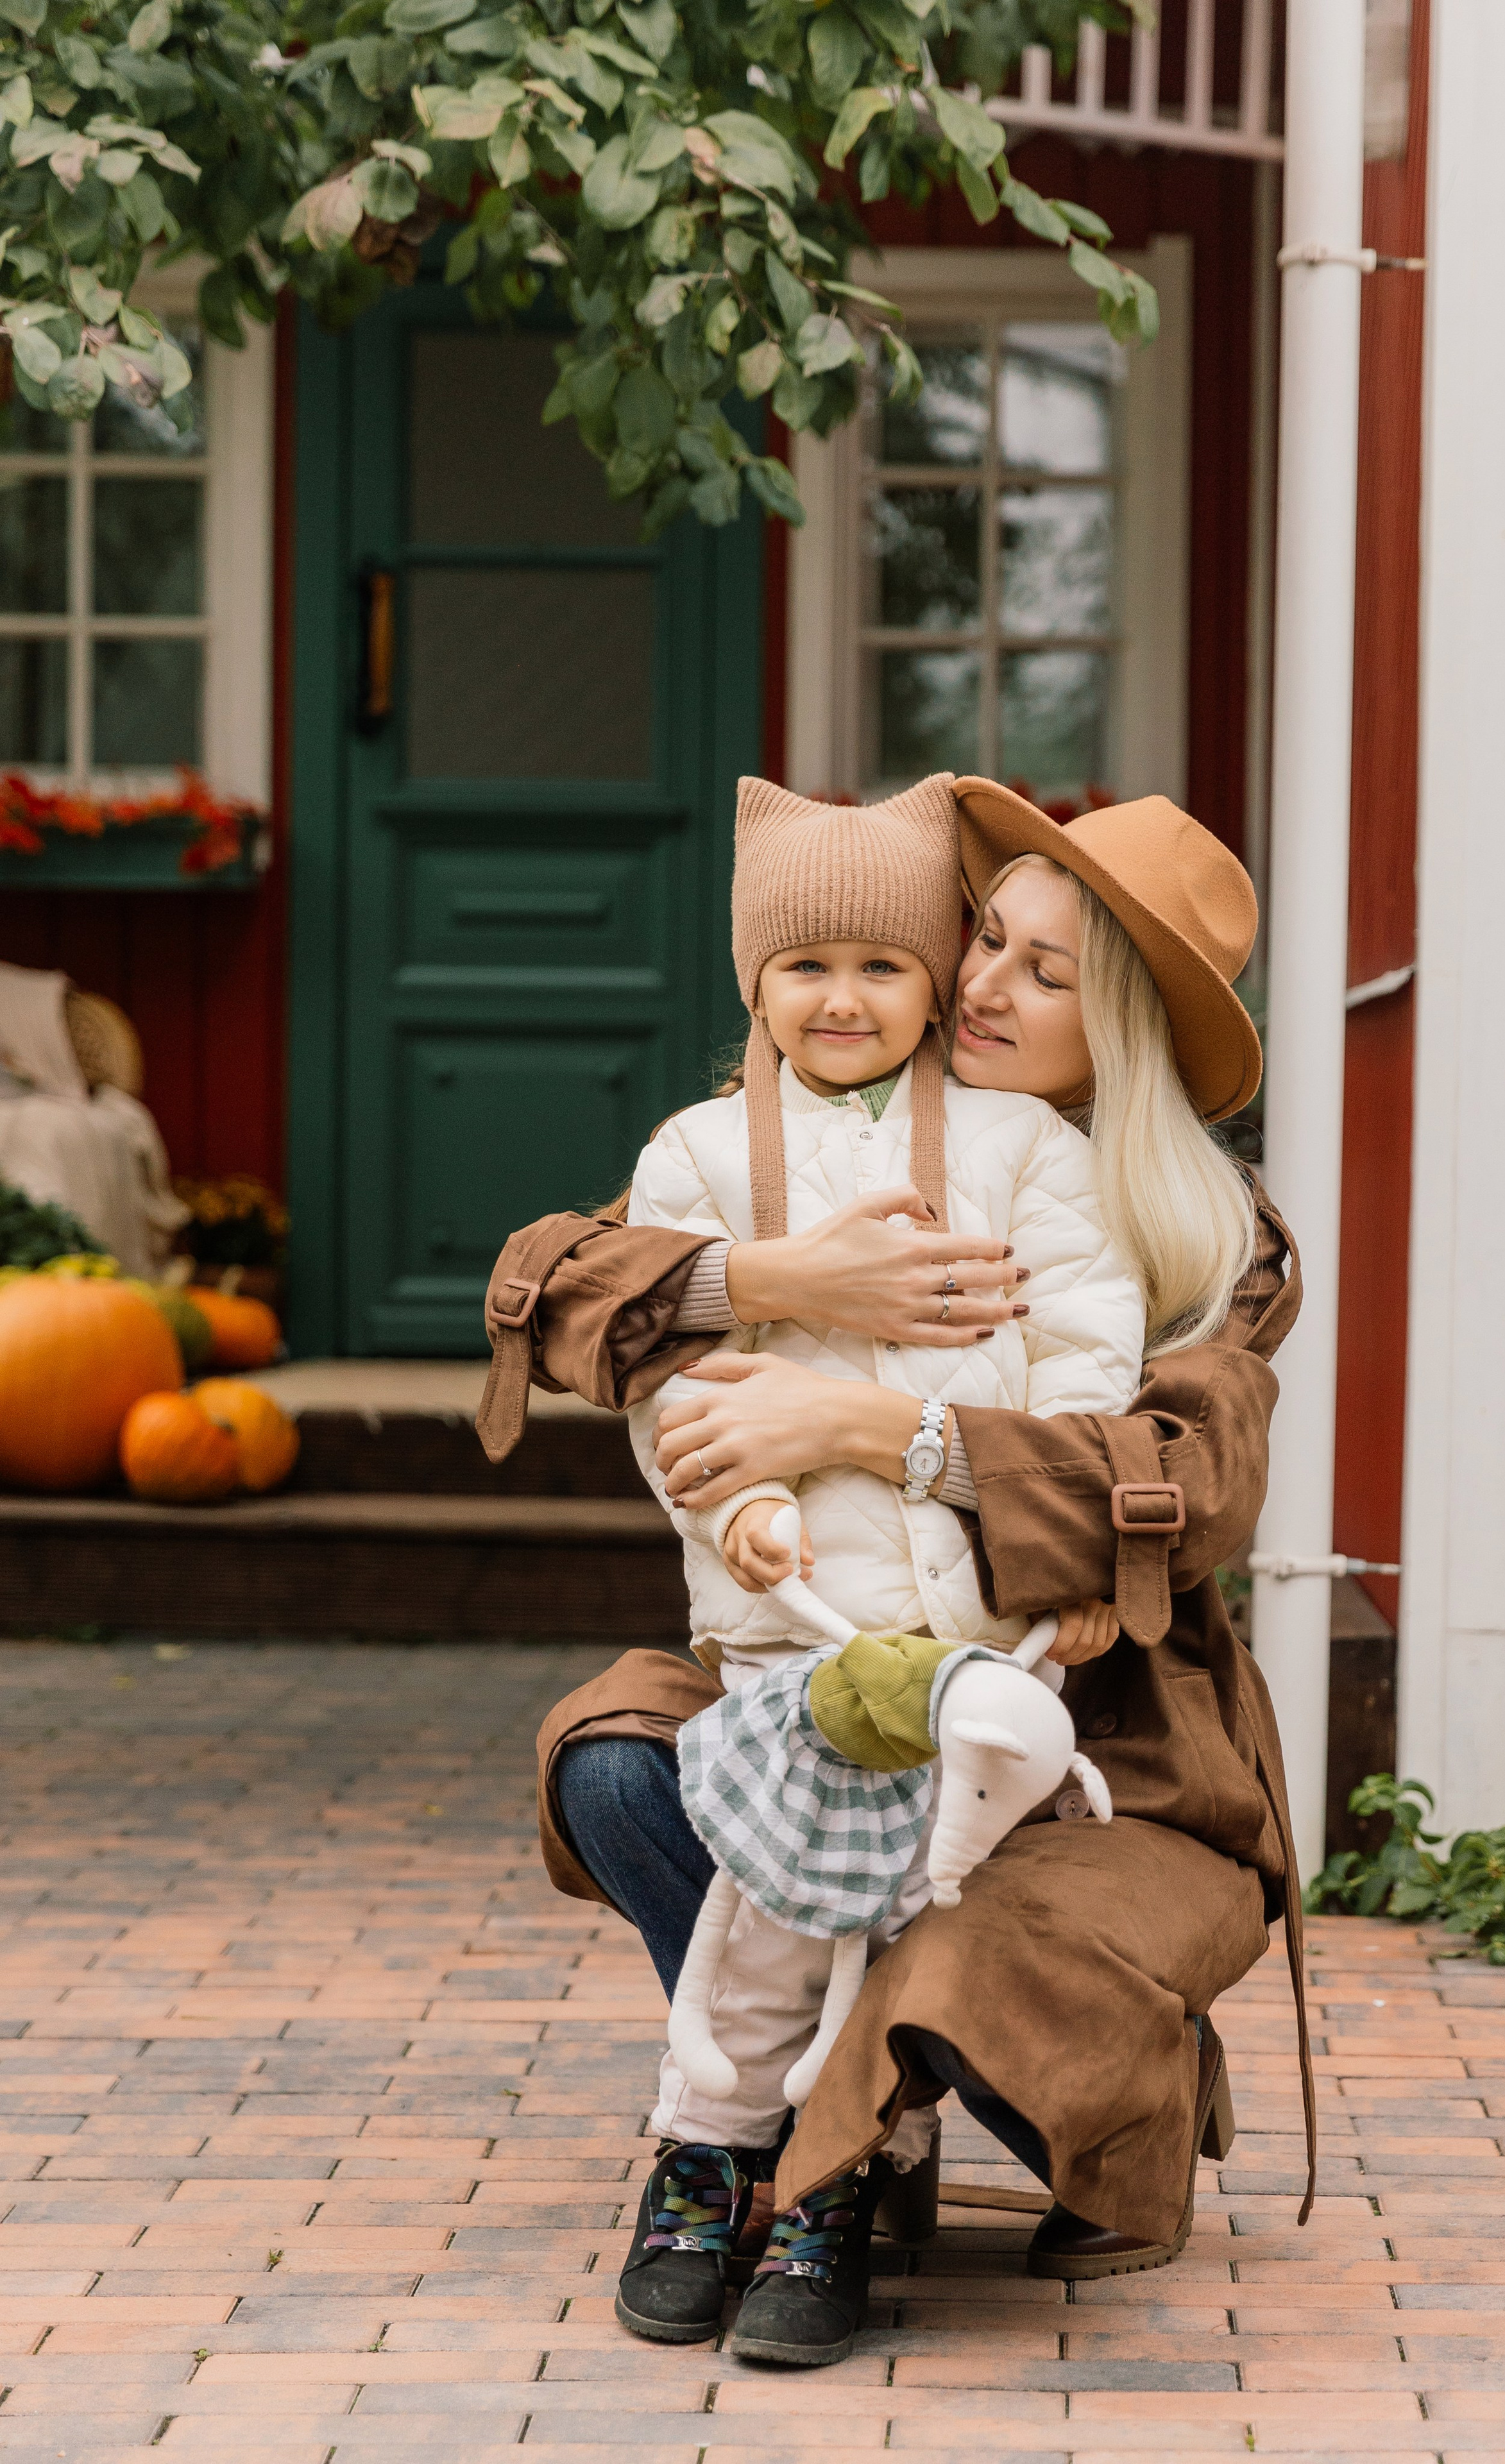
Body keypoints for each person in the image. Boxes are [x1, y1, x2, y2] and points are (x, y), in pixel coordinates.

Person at [478, 777, 1316, 2372]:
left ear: (1124, 1029)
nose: (985, 984)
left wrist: (853, 1413)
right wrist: (774, 1276)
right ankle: (794, 2129)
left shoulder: (1212, 1242)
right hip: (825, 1655)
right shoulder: (804, 1134)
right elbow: (573, 1278)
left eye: (1046, 972)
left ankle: (890, 2139)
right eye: (985, 938)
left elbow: (1184, 1483)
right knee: (623, 1773)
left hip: (1100, 1741)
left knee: (956, 1930)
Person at [616, 773, 1146, 2351]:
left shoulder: (1021, 1153)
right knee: (777, 1904)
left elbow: (1086, 1366)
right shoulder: (698, 1158)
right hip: (794, 1627)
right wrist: (734, 1514)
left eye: (881, 965)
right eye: (803, 967)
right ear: (752, 981)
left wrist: (1046, 1543)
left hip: (977, 1642)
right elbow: (668, 1388)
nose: (841, 1000)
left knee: (894, 1915)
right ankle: (741, 2172)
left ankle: (813, 2179)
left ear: (929, 978)